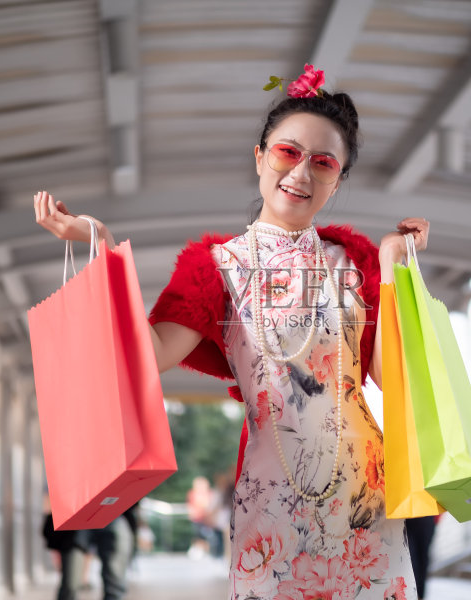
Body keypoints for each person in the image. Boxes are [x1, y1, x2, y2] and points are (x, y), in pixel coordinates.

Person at [33, 63, 429, 599]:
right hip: (271, 497)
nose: (302, 173)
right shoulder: (215, 268)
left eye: (323, 162)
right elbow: (147, 356)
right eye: (288, 152)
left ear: (337, 179)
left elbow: (387, 374)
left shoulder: (356, 262)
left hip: (365, 496)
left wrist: (394, 265)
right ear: (261, 156)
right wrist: (101, 246)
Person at [405, 515, 439, 599]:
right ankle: (415, 595)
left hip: (426, 516)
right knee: (412, 562)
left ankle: (420, 596)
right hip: (405, 518)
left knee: (422, 561)